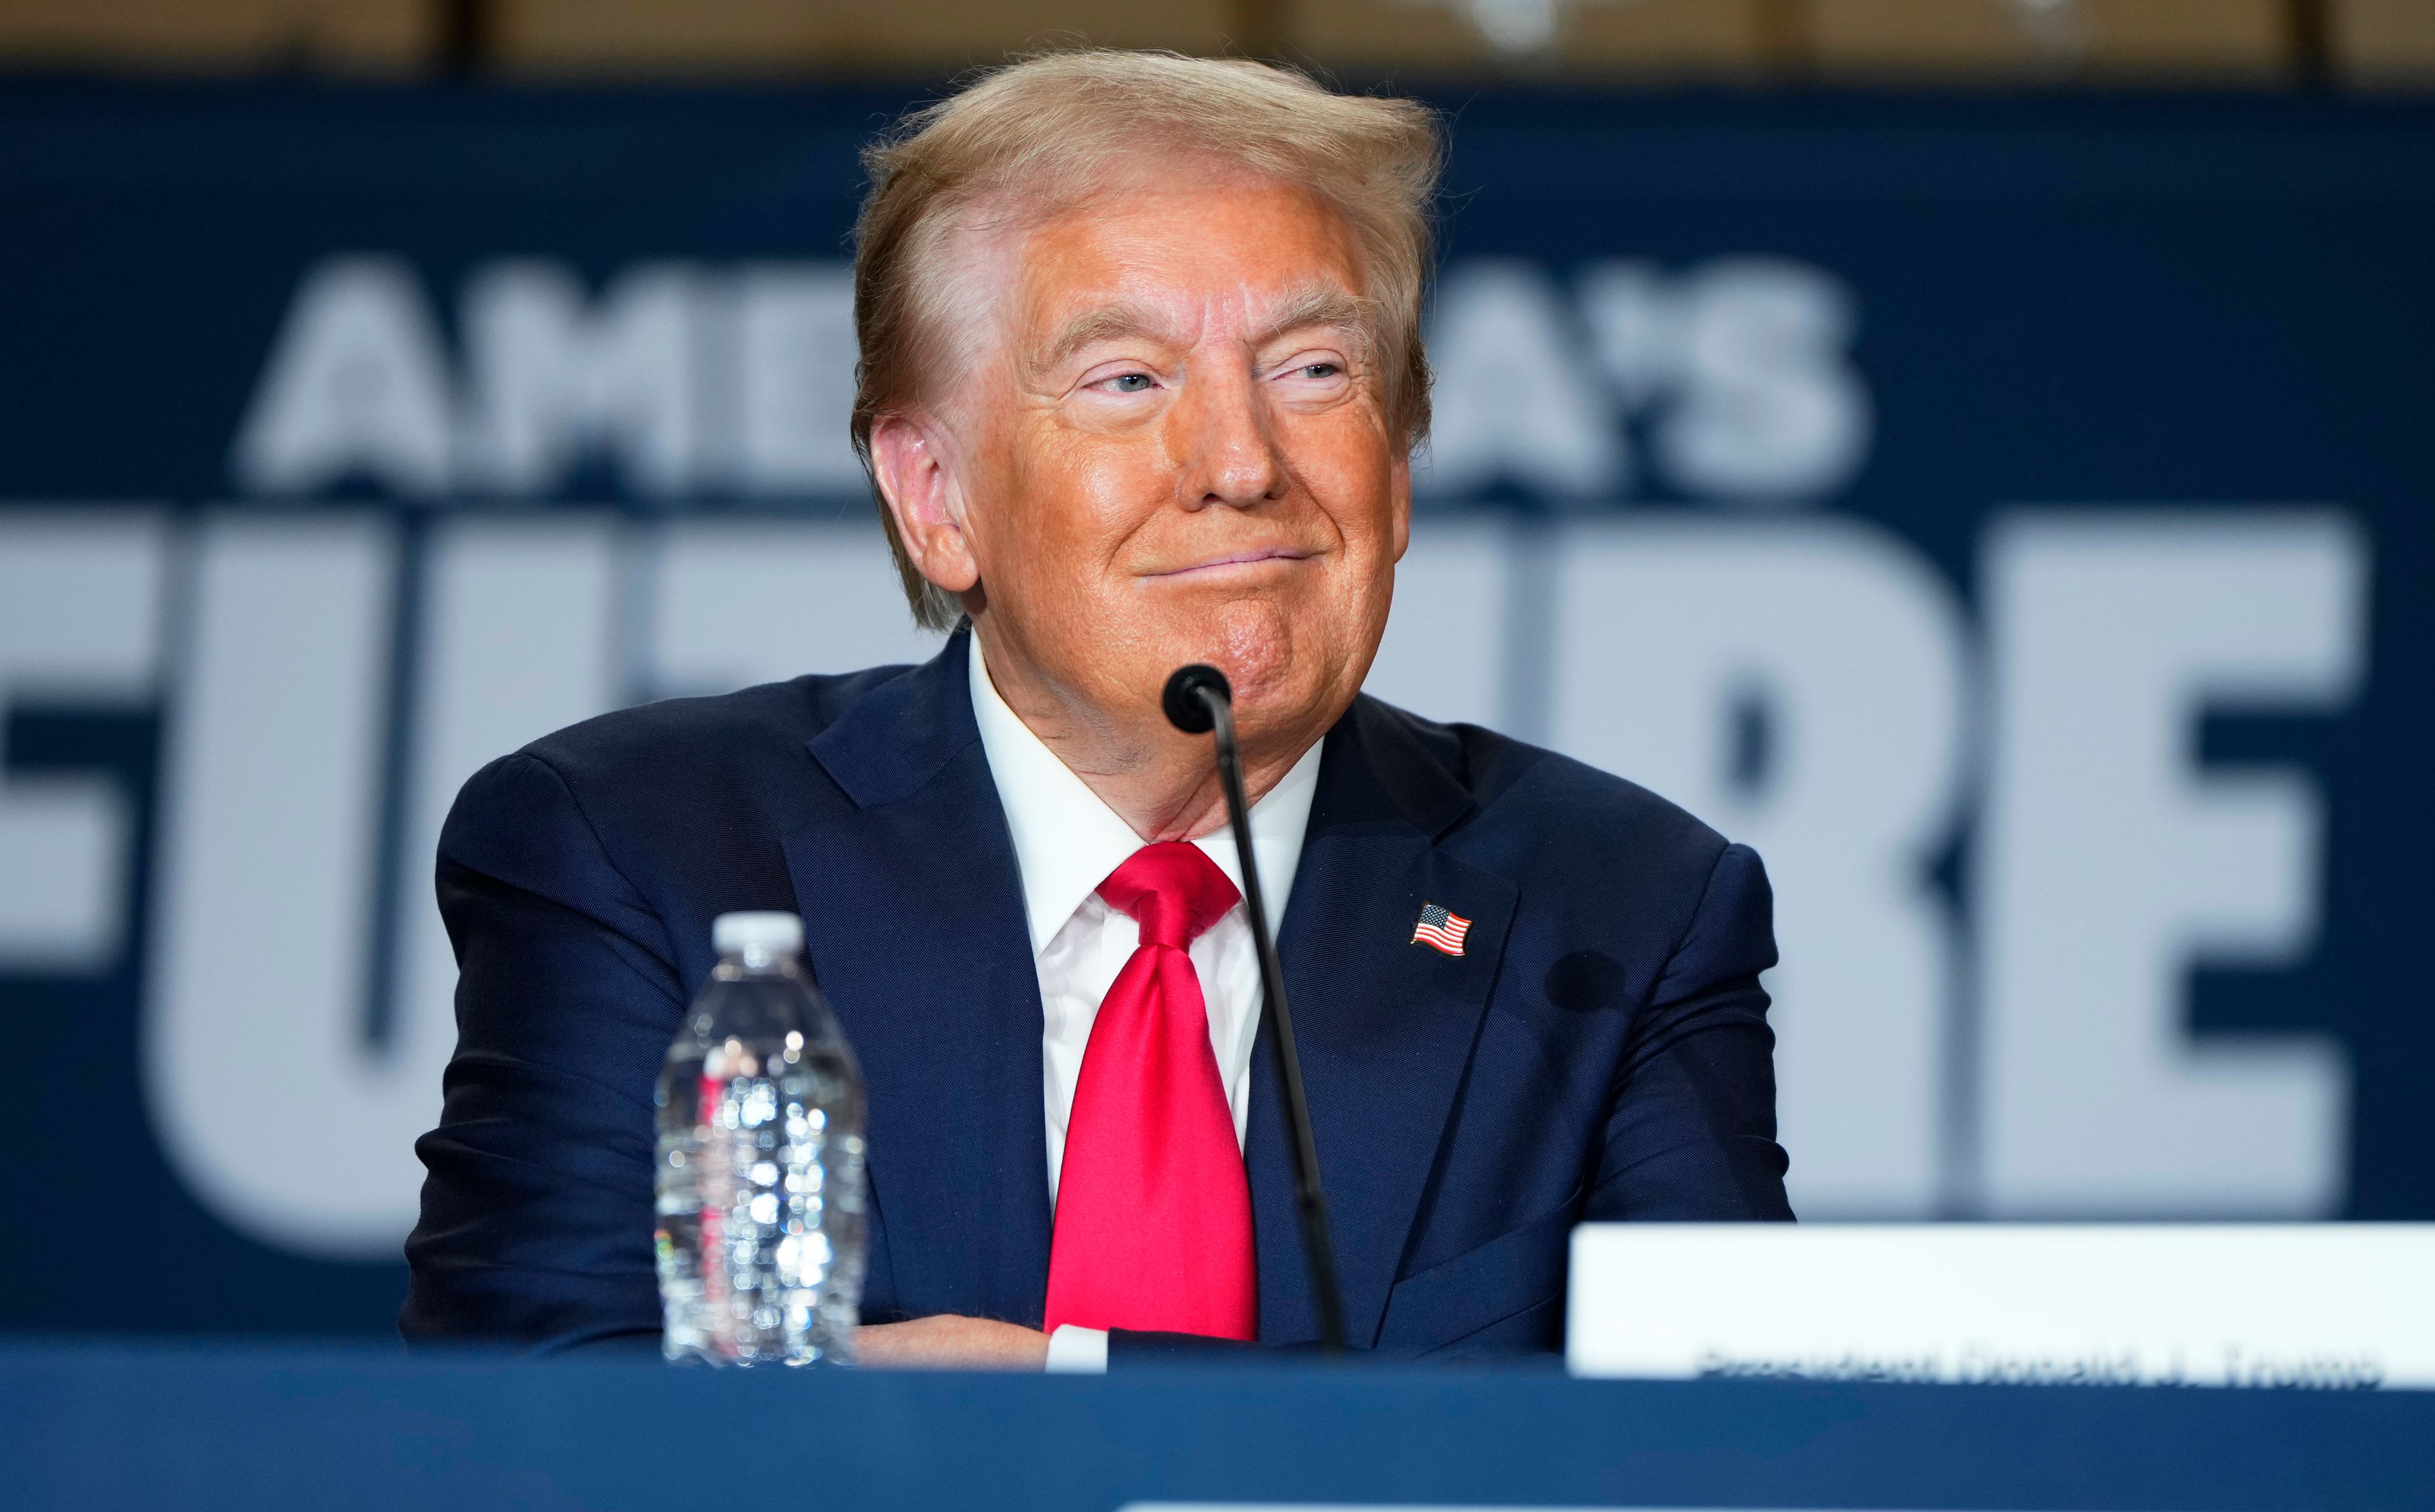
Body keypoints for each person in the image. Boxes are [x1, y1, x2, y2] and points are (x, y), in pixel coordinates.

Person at [401, 49, 1792, 1369]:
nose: (1243, 462)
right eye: (1127, 382)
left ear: (1401, 459)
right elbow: (529, 1425)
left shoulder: (1616, 915)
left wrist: (1051, 1381)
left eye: (1314, 370)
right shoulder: (644, 853)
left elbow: (1721, 1474)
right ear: (938, 497)